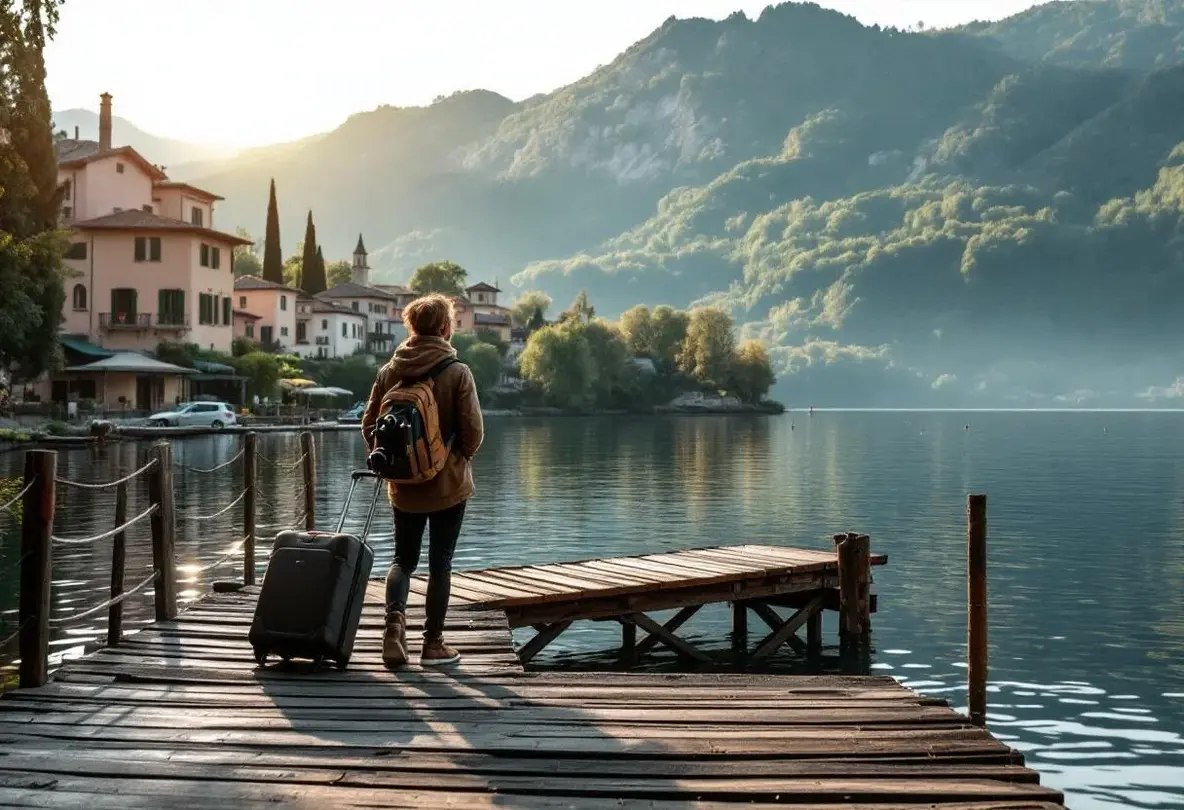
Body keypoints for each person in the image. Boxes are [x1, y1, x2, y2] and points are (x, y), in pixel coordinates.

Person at [361, 294, 484, 667]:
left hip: (404, 486)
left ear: (411, 328)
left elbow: (369, 426)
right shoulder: (457, 371)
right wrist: (454, 457)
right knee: (440, 562)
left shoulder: (389, 371)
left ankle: (394, 629)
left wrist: (402, 462)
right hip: (449, 485)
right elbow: (473, 433)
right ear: (446, 328)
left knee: (403, 559)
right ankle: (433, 644)